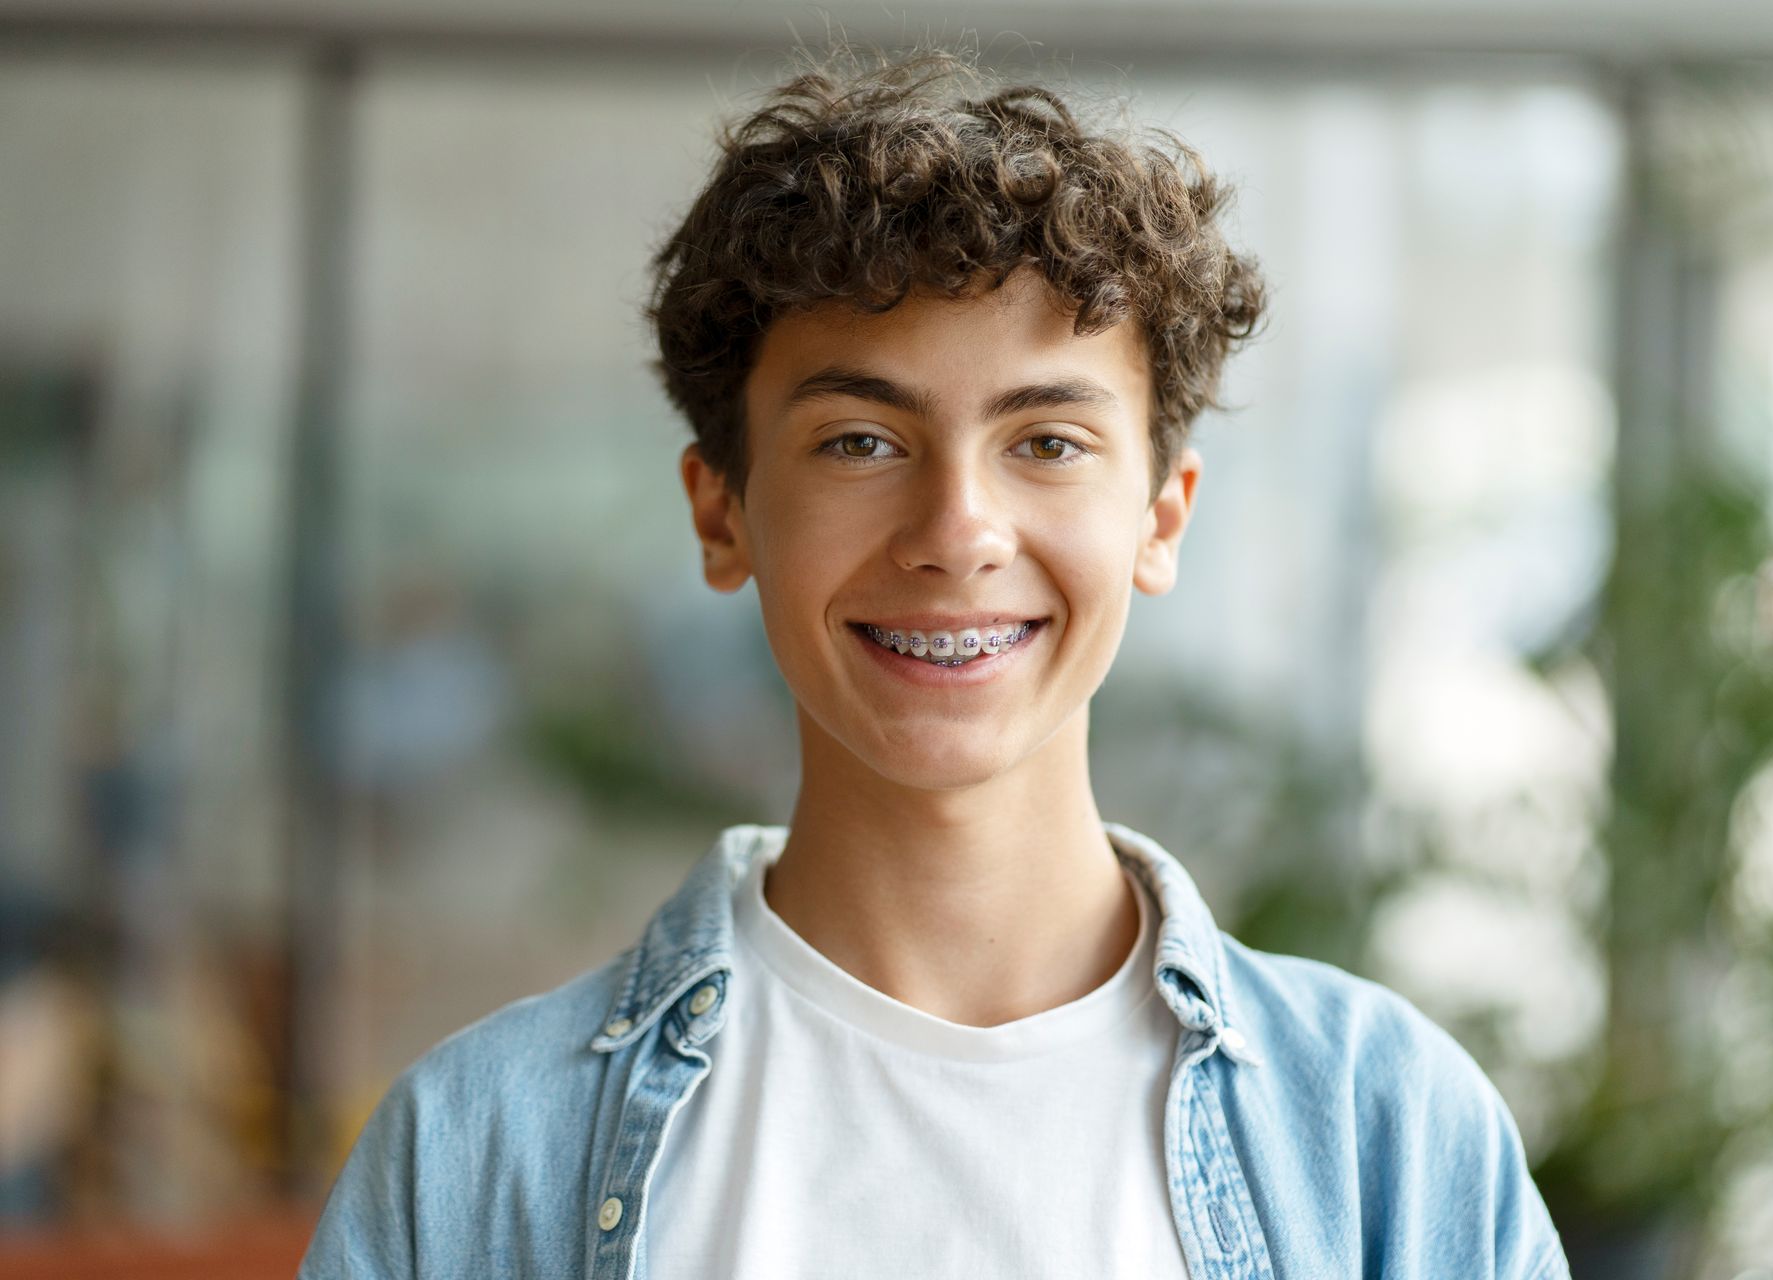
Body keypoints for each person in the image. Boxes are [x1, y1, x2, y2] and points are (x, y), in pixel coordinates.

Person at [299, 41, 1572, 1280]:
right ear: (722, 510)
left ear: (1162, 515)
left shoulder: (1383, 1134)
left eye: (1049, 442)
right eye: (860, 440)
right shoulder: (475, 1157)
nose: (958, 532)